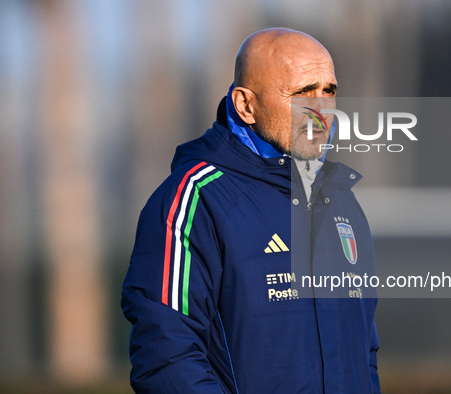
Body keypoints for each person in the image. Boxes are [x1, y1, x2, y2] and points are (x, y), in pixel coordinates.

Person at [121, 27, 381, 393]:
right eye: (302, 92)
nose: (321, 108)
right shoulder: (195, 198)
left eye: (329, 90)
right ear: (246, 105)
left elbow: (363, 350)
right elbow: (166, 357)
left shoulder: (340, 200)